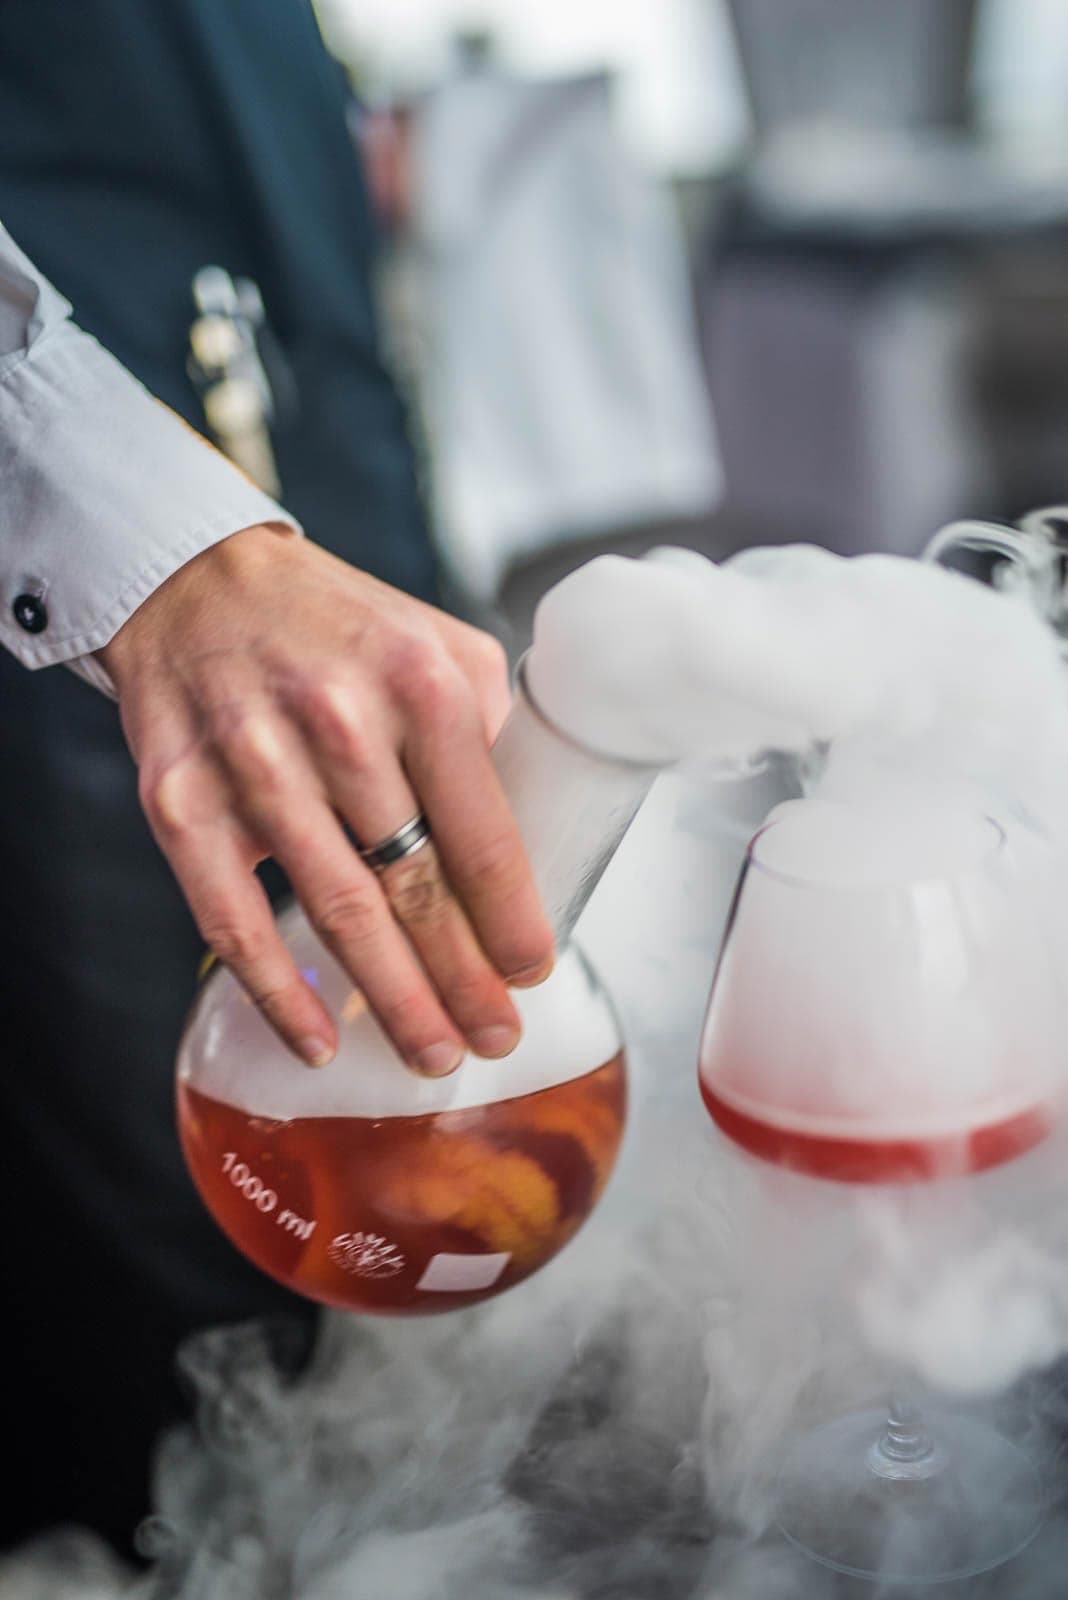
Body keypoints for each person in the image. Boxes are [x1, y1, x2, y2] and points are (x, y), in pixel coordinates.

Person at [0, 0, 552, 1557]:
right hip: (80, 614)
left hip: (326, 511)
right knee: (145, 1294)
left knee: (418, 1209)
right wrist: (147, 550)